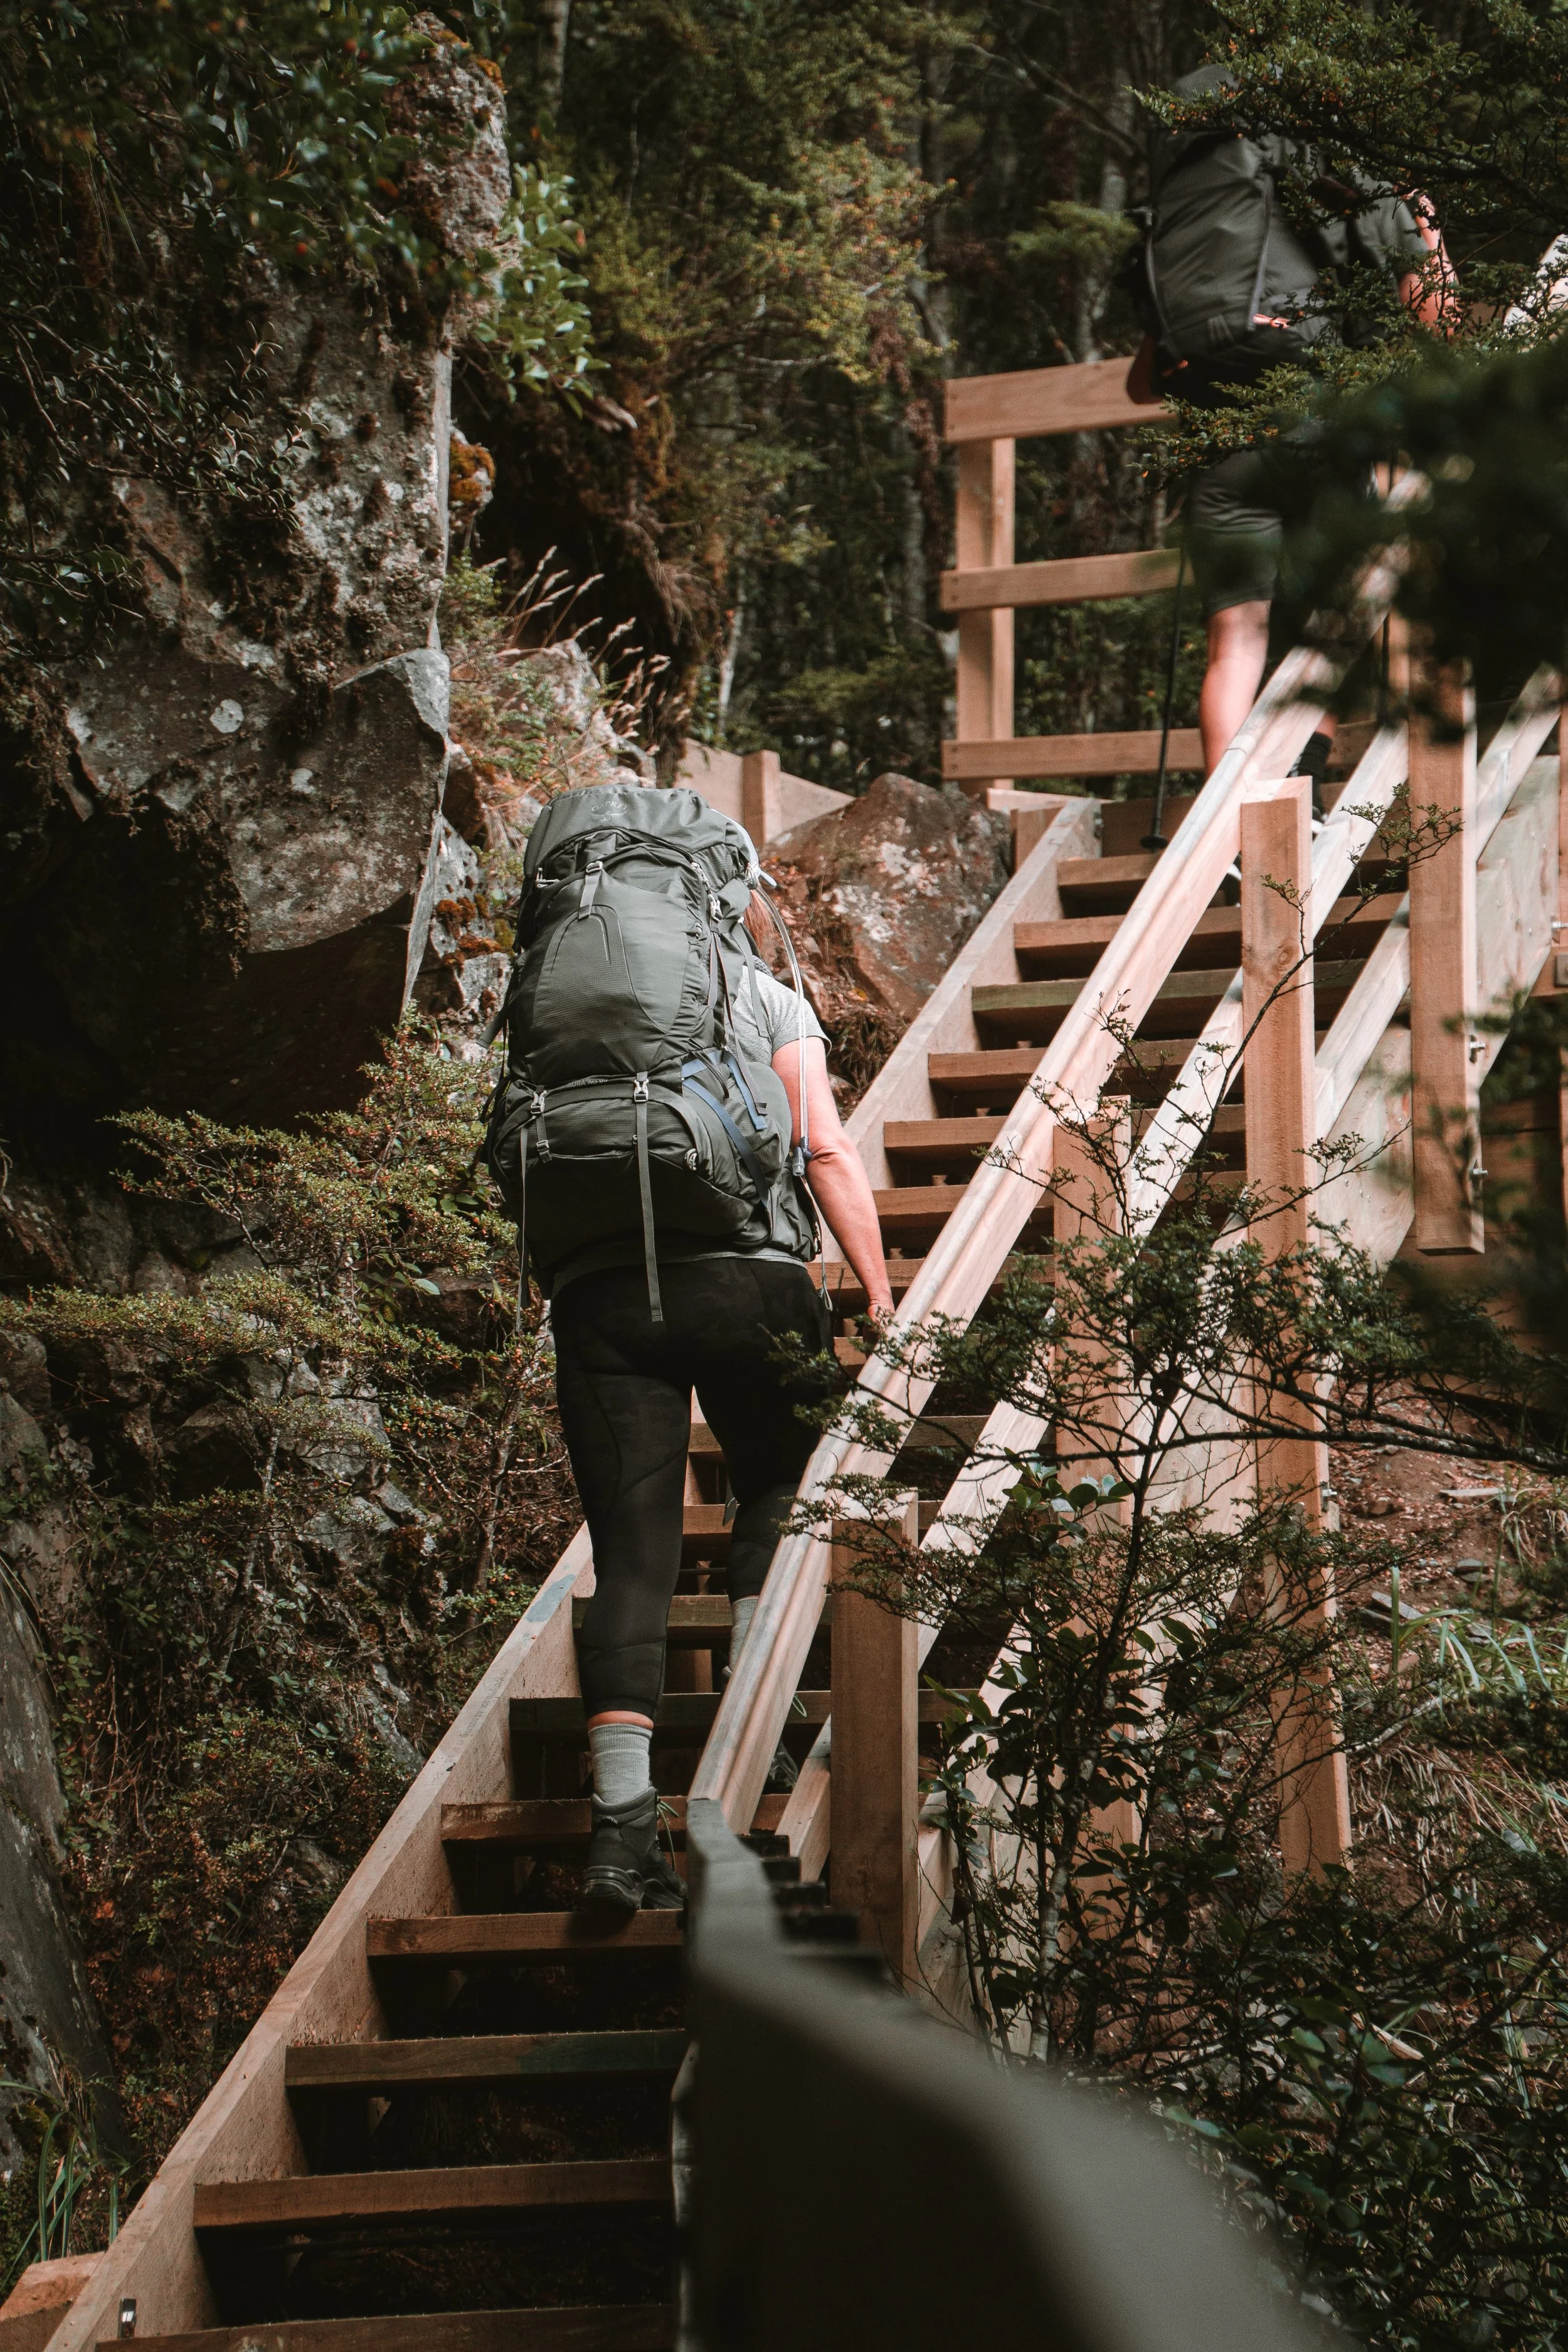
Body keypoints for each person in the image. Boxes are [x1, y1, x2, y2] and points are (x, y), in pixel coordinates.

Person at [547, 894, 894, 1914]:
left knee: (634, 1554)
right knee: (779, 1482)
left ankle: (617, 1839)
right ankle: (764, 1723)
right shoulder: (768, 997)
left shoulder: (579, 1006)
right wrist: (877, 1293)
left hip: (605, 1297)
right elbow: (824, 1149)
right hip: (751, 1282)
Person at [1128, 65, 1454, 777]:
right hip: (1314, 437)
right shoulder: (1347, 189)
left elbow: (1141, 384)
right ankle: (1291, 806)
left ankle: (1226, 841)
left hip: (1221, 452)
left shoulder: (1202, 219)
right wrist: (1426, 230)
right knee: (1319, 639)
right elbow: (1435, 324)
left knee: (1234, 646)